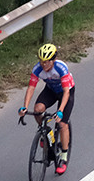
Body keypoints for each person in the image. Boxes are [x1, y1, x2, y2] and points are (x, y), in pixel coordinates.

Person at [19, 43, 74, 174]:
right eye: (42, 61)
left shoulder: (61, 68)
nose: (44, 65)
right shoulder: (37, 69)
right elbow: (31, 87)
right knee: (38, 109)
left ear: (53, 60)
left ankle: (64, 157)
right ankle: (45, 133)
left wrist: (60, 111)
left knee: (62, 124)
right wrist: (24, 107)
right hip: (50, 91)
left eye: (47, 62)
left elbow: (66, 92)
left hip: (66, 93)